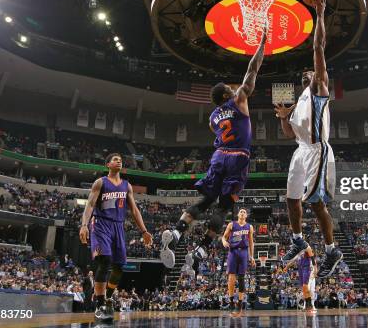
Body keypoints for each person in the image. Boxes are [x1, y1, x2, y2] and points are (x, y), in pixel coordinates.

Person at [161, 26, 268, 268]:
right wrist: (262, 44)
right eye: (229, 89)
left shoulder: (212, 118)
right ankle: (201, 249)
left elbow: (216, 133)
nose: (233, 89)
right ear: (225, 95)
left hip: (219, 156)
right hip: (238, 156)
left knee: (205, 200)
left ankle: (178, 231)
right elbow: (253, 69)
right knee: (224, 206)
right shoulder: (240, 99)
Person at [274, 0, 342, 278]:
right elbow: (289, 134)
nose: (307, 74)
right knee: (291, 198)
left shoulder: (319, 89)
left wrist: (320, 14)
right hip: (301, 149)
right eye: (304, 74)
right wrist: (282, 117)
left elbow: (319, 48)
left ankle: (331, 250)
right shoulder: (300, 98)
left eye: (311, 72)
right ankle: (298, 239)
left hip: (318, 149)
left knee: (315, 203)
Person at [79, 153, 153, 323]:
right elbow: (90, 204)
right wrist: (84, 224)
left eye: (120, 160)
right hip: (101, 224)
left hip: (118, 226)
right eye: (115, 159)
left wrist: (144, 231)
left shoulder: (127, 186)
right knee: (105, 260)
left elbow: (134, 210)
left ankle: (107, 298)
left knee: (119, 266)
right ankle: (99, 304)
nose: (119, 161)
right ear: (108, 165)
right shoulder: (100, 182)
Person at [221, 208, 255, 312]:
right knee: (231, 277)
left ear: (246, 216)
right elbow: (223, 237)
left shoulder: (249, 227)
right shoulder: (231, 224)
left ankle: (240, 302)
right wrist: (224, 242)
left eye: (244, 212)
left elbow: (251, 242)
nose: (242, 213)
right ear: (238, 214)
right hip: (233, 251)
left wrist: (252, 256)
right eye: (241, 211)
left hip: (244, 252)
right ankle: (231, 301)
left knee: (241, 278)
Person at [283, 245, 318, 312]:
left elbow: (314, 264)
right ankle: (305, 305)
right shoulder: (299, 255)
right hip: (303, 273)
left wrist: (315, 271)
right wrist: (287, 267)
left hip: (311, 275)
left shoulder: (309, 255)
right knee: (305, 291)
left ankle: (312, 306)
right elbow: (293, 260)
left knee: (312, 291)